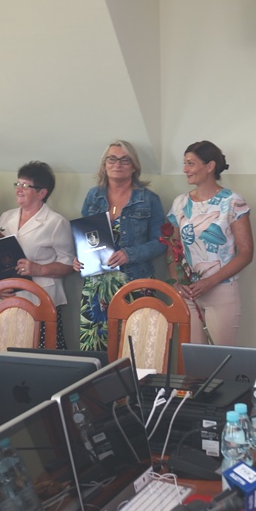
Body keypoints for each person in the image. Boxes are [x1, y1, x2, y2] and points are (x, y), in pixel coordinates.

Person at [78, 140, 165, 352]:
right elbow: (85, 236)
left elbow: (161, 242)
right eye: (112, 159)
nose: (118, 164)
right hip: (96, 287)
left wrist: (130, 254)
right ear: (104, 164)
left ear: (134, 166)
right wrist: (78, 257)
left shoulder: (149, 199)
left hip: (135, 283)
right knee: (96, 350)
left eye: (125, 160)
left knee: (136, 348)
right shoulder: (93, 196)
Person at [166, 141, 252, 346]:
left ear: (210, 166)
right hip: (188, 293)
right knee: (191, 357)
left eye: (190, 163)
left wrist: (209, 282)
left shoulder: (232, 201)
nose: (185, 169)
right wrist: (176, 280)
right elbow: (172, 246)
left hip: (220, 291)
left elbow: (246, 253)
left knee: (220, 358)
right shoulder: (180, 203)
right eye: (185, 163)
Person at [0, 161, 75, 349]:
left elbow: (69, 264)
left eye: (25, 185)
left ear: (41, 193)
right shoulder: (6, 217)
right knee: (4, 350)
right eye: (18, 184)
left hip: (39, 300)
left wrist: (39, 269)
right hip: (7, 299)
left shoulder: (56, 222)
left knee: (39, 354)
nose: (19, 189)